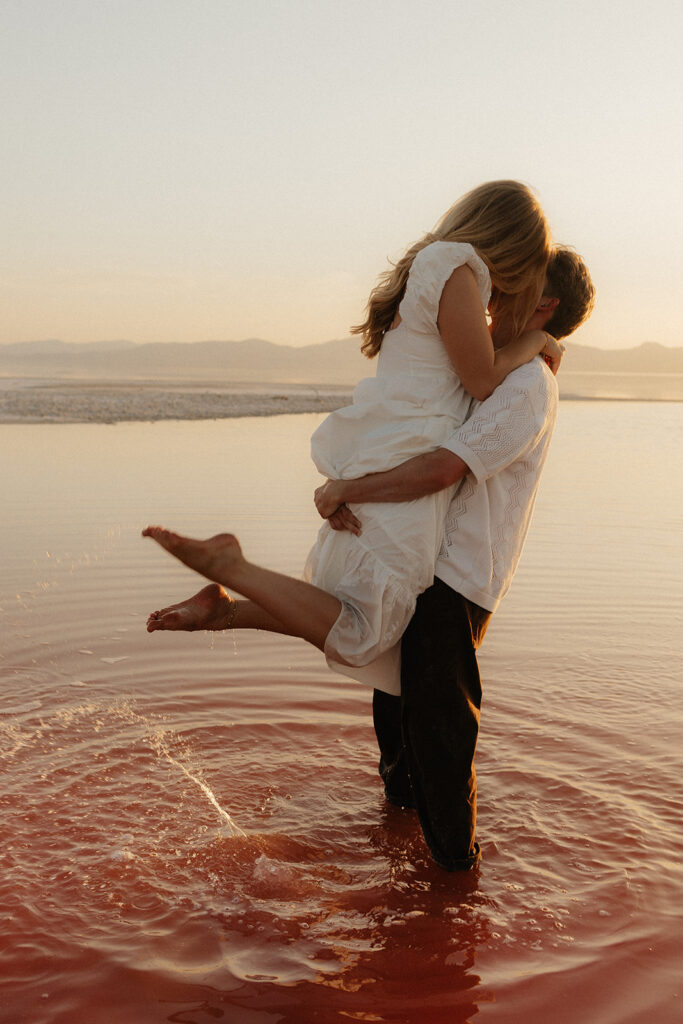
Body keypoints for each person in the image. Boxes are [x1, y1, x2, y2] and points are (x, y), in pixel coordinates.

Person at [144, 181, 561, 674]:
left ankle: (226, 607)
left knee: (358, 610)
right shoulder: (456, 269)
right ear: (511, 243)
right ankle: (234, 568)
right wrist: (536, 340)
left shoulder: (433, 267)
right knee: (368, 629)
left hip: (392, 446)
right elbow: (485, 378)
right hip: (410, 451)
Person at [313, 245, 596, 869]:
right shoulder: (491, 365)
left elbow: (444, 467)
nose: (495, 287)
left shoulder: (528, 385)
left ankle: (454, 900)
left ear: (542, 302)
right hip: (421, 570)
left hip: (457, 583)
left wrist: (346, 491)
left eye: (515, 278)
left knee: (440, 743)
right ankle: (399, 863)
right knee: (398, 730)